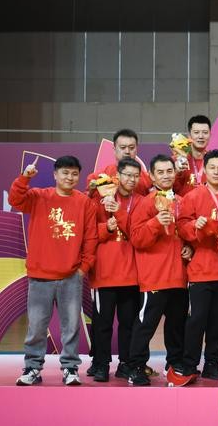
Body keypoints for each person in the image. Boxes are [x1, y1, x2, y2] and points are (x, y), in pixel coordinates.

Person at [12, 155, 97, 386]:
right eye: (65, 172)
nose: (69, 177)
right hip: (40, 276)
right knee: (37, 326)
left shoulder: (84, 202)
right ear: (55, 174)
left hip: (71, 276)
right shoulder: (39, 196)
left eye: (74, 173)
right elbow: (15, 200)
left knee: (71, 327)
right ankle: (32, 367)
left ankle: (70, 368)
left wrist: (83, 268)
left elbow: (91, 238)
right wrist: (24, 178)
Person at [126, 155, 191, 386]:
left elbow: (186, 234)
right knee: (145, 326)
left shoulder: (182, 201)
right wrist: (155, 222)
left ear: (175, 173)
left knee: (177, 326)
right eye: (160, 172)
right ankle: (135, 367)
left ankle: (175, 364)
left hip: (179, 277)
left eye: (169, 171)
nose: (165, 176)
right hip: (154, 278)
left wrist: (190, 248)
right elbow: (136, 239)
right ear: (152, 177)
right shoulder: (146, 203)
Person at [177, 149, 218, 380]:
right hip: (200, 271)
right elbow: (182, 226)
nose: (216, 172)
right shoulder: (193, 196)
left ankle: (213, 364)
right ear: (205, 170)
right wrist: (195, 226)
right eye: (212, 167)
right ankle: (189, 363)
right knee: (196, 320)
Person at [87, 157, 143, 382]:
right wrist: (105, 228)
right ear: (117, 176)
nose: (131, 179)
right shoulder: (100, 198)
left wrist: (119, 214)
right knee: (103, 324)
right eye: (127, 175)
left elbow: (139, 233)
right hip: (105, 274)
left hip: (132, 274)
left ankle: (126, 364)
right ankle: (100, 364)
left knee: (129, 324)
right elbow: (88, 232)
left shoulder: (141, 201)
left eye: (136, 176)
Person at [86, 129, 152, 196]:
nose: (127, 151)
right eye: (123, 147)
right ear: (114, 150)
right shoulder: (97, 178)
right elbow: (87, 199)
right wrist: (91, 191)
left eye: (131, 148)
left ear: (136, 150)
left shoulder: (148, 180)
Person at [174, 115, 212, 195]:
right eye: (196, 132)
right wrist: (175, 172)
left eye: (205, 132)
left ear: (210, 135)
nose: (201, 136)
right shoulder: (176, 161)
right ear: (189, 135)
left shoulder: (214, 161)